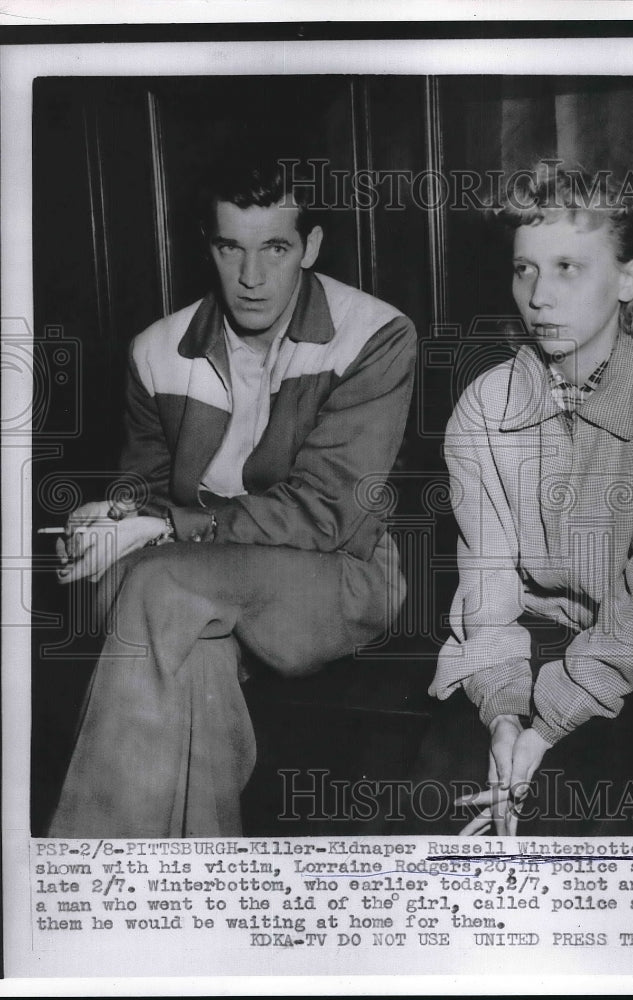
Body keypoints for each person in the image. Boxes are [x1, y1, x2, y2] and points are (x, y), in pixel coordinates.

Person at [47, 153, 417, 838]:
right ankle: (201, 885)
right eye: (230, 248)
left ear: (309, 247)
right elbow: (143, 487)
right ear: (206, 247)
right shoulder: (155, 349)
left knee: (159, 587)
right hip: (191, 582)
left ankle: (93, 875)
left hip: (334, 579)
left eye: (274, 248)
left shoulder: (375, 334)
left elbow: (324, 514)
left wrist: (159, 527)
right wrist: (109, 517)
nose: (251, 278)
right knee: (187, 643)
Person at [427, 162, 633, 836]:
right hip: (552, 631)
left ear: (627, 279)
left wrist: (542, 732)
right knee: (435, 799)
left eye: (567, 268)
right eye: (524, 270)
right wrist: (502, 717)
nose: (538, 296)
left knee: (558, 814)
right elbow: (486, 585)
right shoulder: (484, 407)